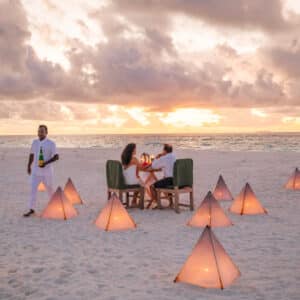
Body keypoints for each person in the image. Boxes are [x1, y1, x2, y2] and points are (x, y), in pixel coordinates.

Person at [23, 125, 59, 217]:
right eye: (39, 131)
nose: (40, 133)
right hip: (35, 171)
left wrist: (45, 163)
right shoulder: (34, 142)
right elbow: (31, 154)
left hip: (47, 172)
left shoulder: (51, 143)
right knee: (33, 190)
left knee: (50, 189)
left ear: (46, 133)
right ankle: (32, 209)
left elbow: (56, 157)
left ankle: (54, 206)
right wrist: (28, 165)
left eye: (42, 131)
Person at [149, 144, 176, 208]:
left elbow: (153, 166)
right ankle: (171, 203)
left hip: (170, 180)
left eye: (163, 150)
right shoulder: (174, 156)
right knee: (165, 180)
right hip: (177, 180)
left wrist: (157, 157)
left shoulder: (164, 158)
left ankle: (158, 204)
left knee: (152, 186)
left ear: (165, 151)